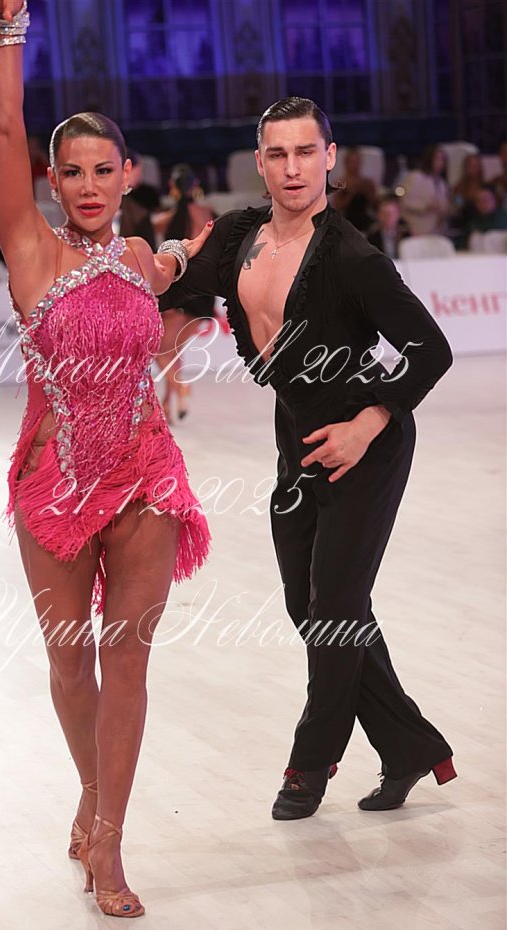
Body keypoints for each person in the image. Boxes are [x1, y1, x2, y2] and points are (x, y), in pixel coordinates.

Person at [0, 0, 213, 919]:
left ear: (128, 174)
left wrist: (197, 274)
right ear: (51, 178)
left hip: (147, 474)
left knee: (129, 660)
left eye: (103, 169)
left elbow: (169, 305)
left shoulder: (145, 259)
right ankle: (91, 791)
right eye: (70, 171)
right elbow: (5, 127)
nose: (87, 184)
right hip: (56, 481)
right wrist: (10, 36)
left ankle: (109, 837)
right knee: (72, 664)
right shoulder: (29, 247)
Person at [158, 96, 457, 821]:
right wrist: (167, 257)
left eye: (305, 152)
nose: (292, 168)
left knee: (337, 610)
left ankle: (309, 764)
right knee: (310, 604)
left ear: (329, 157)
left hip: (365, 444)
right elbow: (184, 286)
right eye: (278, 154)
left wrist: (369, 422)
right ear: (259, 163)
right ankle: (411, 746)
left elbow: (431, 350)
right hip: (296, 436)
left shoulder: (353, 257)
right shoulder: (237, 234)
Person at [152, 163, 216, 422]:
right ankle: (168, 404)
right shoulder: (207, 212)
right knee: (172, 350)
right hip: (204, 293)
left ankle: (181, 387)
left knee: (160, 349)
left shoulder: (168, 218)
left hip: (180, 291)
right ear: (195, 186)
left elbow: (151, 230)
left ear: (172, 187)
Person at [400, 143, 451, 236]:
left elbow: (444, 206)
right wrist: (425, 207)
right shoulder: (415, 177)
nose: (440, 163)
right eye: (437, 159)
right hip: (416, 229)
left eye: (443, 160)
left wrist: (444, 210)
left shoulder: (442, 183)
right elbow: (404, 201)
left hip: (436, 231)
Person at [330, 145, 378, 232]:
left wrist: (368, 192)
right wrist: (351, 194)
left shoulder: (367, 183)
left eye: (357, 162)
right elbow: (336, 206)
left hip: (365, 221)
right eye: (352, 162)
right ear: (346, 163)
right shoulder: (340, 182)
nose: (355, 165)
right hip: (346, 220)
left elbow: (375, 205)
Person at [118, 148, 158, 251]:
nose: (140, 174)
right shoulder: (138, 213)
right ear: (128, 169)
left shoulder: (144, 196)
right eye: (139, 169)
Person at [457, 185, 507, 249]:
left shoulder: (504, 218)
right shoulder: (472, 221)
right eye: (479, 200)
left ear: (495, 200)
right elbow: (462, 244)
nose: (483, 203)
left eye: (486, 199)